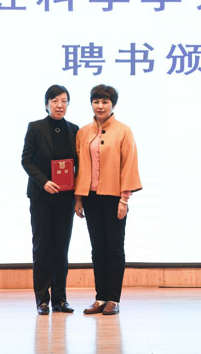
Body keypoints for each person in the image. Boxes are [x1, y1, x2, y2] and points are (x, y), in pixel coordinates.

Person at [74, 84, 142, 316]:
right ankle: (100, 297)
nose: (100, 106)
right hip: (91, 197)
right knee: (97, 249)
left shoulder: (123, 131)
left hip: (115, 198)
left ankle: (113, 298)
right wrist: (78, 198)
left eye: (105, 102)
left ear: (113, 104)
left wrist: (124, 199)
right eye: (96, 101)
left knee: (114, 248)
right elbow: (80, 167)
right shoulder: (83, 132)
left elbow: (129, 165)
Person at [21, 85, 79, 315]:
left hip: (65, 198)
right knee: (42, 247)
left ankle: (60, 300)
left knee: (61, 249)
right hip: (42, 197)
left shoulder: (74, 130)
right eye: (54, 101)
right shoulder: (35, 128)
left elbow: (78, 165)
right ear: (46, 104)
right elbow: (26, 161)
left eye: (64, 101)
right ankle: (42, 300)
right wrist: (44, 182)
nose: (59, 105)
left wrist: (78, 196)